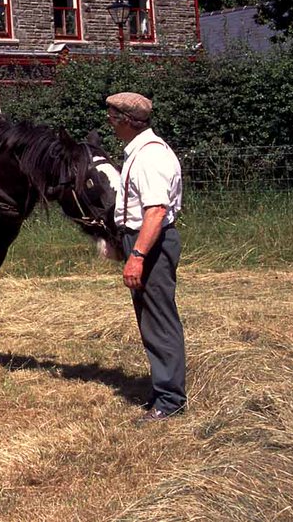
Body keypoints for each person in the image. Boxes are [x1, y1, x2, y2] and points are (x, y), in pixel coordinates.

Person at [107, 91, 186, 422]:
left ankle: (169, 400)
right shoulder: (141, 152)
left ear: (126, 121)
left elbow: (155, 211)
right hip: (143, 241)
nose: (109, 124)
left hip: (150, 244)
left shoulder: (150, 158)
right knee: (151, 318)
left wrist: (137, 254)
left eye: (112, 118)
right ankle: (163, 389)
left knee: (159, 320)